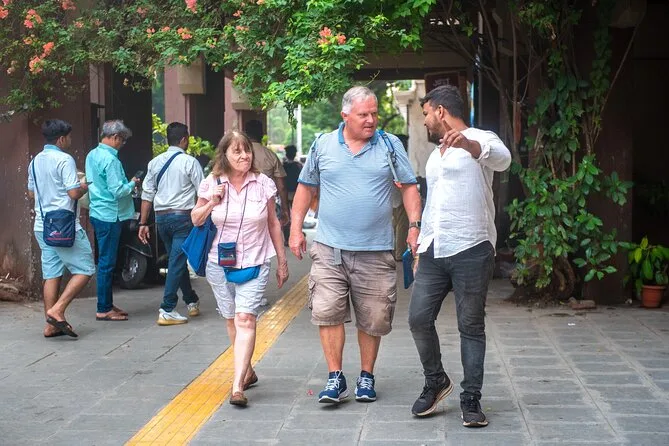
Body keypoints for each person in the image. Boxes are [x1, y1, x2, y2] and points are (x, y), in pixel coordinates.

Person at [289, 86, 422, 404]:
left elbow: (409, 187)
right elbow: (305, 189)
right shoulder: (323, 144)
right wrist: (295, 230)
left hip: (375, 250)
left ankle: (366, 376)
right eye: (364, 114)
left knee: (374, 317)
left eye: (374, 113)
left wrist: (414, 227)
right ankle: (335, 377)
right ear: (345, 115)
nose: (371, 120)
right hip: (329, 249)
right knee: (327, 312)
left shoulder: (389, 145)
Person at [408, 85, 511, 425]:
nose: (425, 121)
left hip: (472, 247)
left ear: (440, 111)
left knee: (471, 325)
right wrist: (421, 243)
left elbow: (503, 160)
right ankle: (436, 380)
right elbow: (435, 204)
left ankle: (471, 398)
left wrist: (469, 145)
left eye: (426, 114)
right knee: (418, 318)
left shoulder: (482, 138)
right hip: (434, 249)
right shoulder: (435, 155)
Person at [191, 130, 289, 406]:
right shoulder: (211, 182)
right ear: (224, 155)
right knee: (231, 319)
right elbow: (196, 220)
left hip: (256, 259)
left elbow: (273, 223)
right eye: (237, 151)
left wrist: (282, 261)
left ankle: (237, 385)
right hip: (218, 263)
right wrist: (212, 202)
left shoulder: (263, 183)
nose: (244, 156)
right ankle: (247, 370)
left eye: (247, 150)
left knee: (245, 318)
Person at [28, 119, 96, 338]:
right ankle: (57, 310)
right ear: (61, 139)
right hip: (65, 226)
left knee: (51, 274)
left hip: (42, 225)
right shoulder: (65, 159)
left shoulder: (35, 161)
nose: (70, 140)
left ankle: (51, 326)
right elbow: (73, 193)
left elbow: (31, 193)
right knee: (85, 269)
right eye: (69, 137)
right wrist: (84, 186)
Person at [139, 122, 205, 325]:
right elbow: (203, 192)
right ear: (184, 139)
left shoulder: (154, 163)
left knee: (177, 260)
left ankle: (191, 300)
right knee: (176, 262)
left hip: (161, 219)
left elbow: (147, 195)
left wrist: (143, 223)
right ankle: (167, 308)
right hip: (183, 218)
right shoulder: (190, 162)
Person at [85, 120, 140, 322]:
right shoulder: (111, 160)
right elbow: (118, 191)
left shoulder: (92, 155)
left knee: (105, 261)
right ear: (115, 137)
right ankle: (103, 308)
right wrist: (132, 184)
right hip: (110, 214)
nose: (122, 144)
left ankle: (107, 303)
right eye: (122, 141)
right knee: (107, 263)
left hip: (97, 212)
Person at [244, 120, 289, 227]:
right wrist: (285, 209)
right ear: (262, 134)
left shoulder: (239, 155)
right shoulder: (271, 155)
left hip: (243, 205)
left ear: (245, 134)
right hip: (267, 206)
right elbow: (281, 187)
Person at [392, 135, 410, 261]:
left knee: (395, 224)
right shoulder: (398, 156)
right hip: (399, 194)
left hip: (392, 196)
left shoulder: (389, 155)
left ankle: (395, 252)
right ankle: (399, 254)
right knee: (402, 225)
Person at [282, 144, 303, 244]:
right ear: (294, 154)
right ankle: (297, 234)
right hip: (296, 194)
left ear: (286, 154)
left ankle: (287, 238)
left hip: (285, 194)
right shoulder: (298, 166)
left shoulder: (283, 167)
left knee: (286, 214)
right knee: (297, 215)